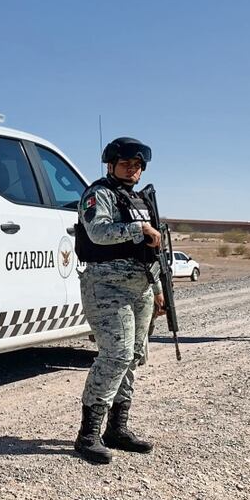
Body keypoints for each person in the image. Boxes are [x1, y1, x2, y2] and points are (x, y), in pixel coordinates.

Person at [72, 137, 165, 465]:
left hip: (141, 288)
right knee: (116, 355)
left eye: (137, 165)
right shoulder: (99, 194)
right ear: (111, 164)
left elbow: (152, 250)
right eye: (126, 164)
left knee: (133, 357)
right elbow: (97, 232)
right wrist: (138, 229)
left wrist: (157, 289)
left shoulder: (141, 199)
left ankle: (117, 428)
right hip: (106, 287)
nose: (132, 169)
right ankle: (88, 434)